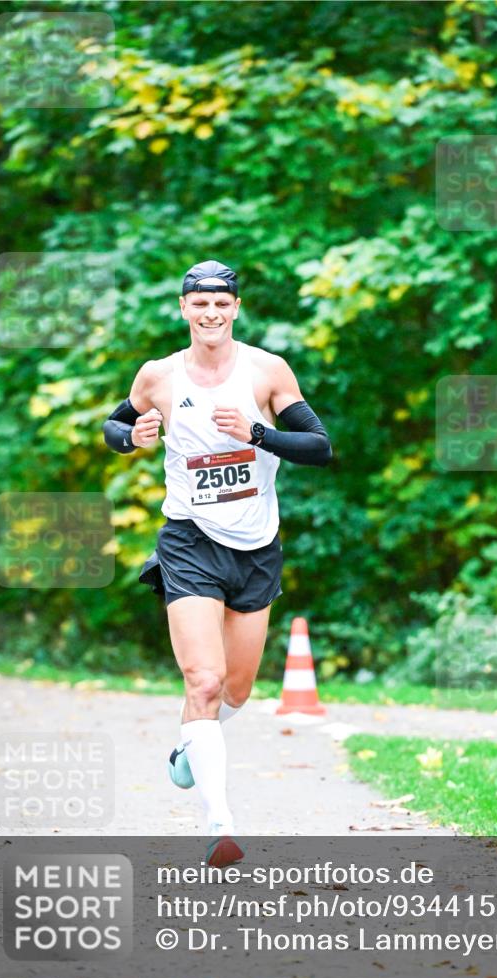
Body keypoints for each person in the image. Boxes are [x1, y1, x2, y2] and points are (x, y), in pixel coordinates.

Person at [102, 260, 332, 864]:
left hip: (256, 548)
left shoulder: (266, 370)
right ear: (184, 309)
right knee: (201, 681)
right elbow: (113, 426)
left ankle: (188, 749)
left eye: (221, 304)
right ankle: (220, 824)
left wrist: (258, 434)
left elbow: (320, 447)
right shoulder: (157, 376)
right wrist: (132, 438)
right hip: (190, 540)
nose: (210, 314)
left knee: (235, 688)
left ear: (235, 308)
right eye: (199, 304)